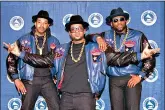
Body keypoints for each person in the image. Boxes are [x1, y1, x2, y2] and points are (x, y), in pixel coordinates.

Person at [4, 15, 160, 110]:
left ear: (84, 30)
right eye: (73, 29)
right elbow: (43, 60)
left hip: (86, 97)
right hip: (65, 97)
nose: (77, 31)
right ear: (69, 32)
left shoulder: (97, 49)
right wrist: (20, 53)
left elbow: (118, 58)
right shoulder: (61, 49)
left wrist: (140, 55)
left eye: (79, 28)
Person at [95, 7, 157, 110]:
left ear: (126, 20)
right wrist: (97, 38)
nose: (119, 22)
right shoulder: (105, 36)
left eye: (121, 19)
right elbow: (88, 37)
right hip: (114, 80)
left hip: (131, 78)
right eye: (115, 20)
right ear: (111, 23)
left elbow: (150, 58)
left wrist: (140, 76)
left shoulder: (138, 35)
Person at [6, 10, 60, 110]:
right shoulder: (23, 40)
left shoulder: (54, 41)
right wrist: (16, 79)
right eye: (39, 22)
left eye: (45, 23)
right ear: (35, 23)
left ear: (48, 25)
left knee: (57, 107)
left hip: (48, 80)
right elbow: (11, 59)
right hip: (29, 81)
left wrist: (56, 75)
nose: (41, 25)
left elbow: (55, 61)